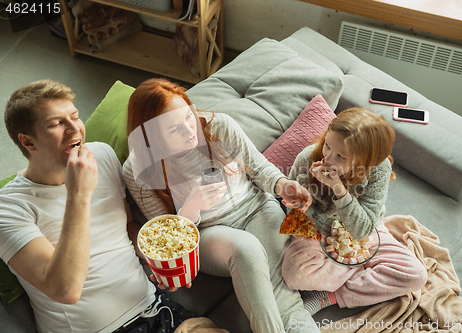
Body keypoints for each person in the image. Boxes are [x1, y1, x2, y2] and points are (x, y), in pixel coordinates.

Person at [123, 78, 320, 333]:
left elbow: (259, 168)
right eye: (174, 130)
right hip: (205, 233)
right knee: (246, 249)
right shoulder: (138, 170)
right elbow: (168, 240)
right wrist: (191, 209)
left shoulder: (220, 126)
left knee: (283, 296)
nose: (189, 130)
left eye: (188, 116)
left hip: (257, 208)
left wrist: (283, 186)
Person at [0, 80, 196, 333]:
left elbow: (126, 225)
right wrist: (78, 194)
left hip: (154, 306)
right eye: (56, 124)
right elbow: (64, 290)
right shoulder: (9, 208)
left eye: (75, 116)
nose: (75, 129)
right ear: (28, 142)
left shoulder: (102, 155)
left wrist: (161, 260)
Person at [281, 107, 428, 314]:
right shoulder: (308, 159)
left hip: (364, 229)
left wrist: (338, 189)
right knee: (294, 275)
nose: (329, 158)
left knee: (417, 275)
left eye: (341, 156)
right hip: (317, 228)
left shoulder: (379, 168)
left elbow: (363, 230)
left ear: (366, 161)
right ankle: (359, 268)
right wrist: (298, 205)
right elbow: (294, 215)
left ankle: (330, 294)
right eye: (327, 146)